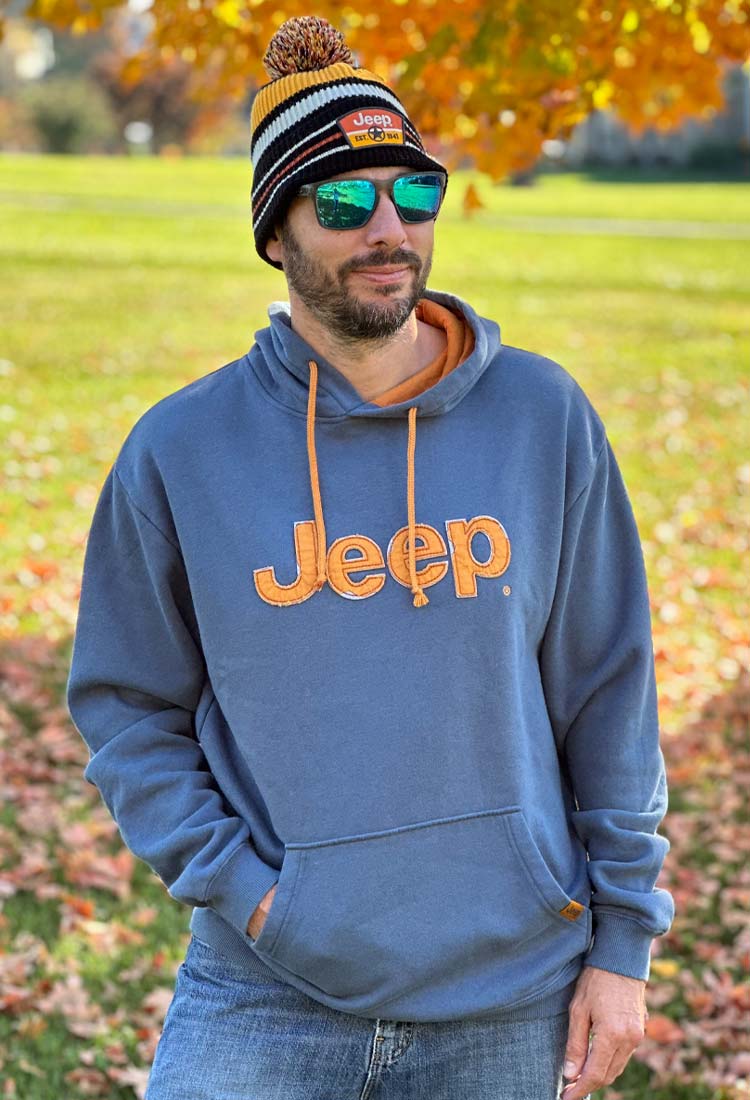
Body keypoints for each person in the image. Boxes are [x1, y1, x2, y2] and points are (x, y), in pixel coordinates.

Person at [66, 15, 675, 1100]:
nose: (388, 229)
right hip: (266, 986)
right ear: (277, 233)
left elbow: (608, 690)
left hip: (513, 988)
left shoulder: (542, 419)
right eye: (344, 203)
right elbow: (128, 705)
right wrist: (252, 894)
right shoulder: (181, 450)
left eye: (414, 194)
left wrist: (623, 943)